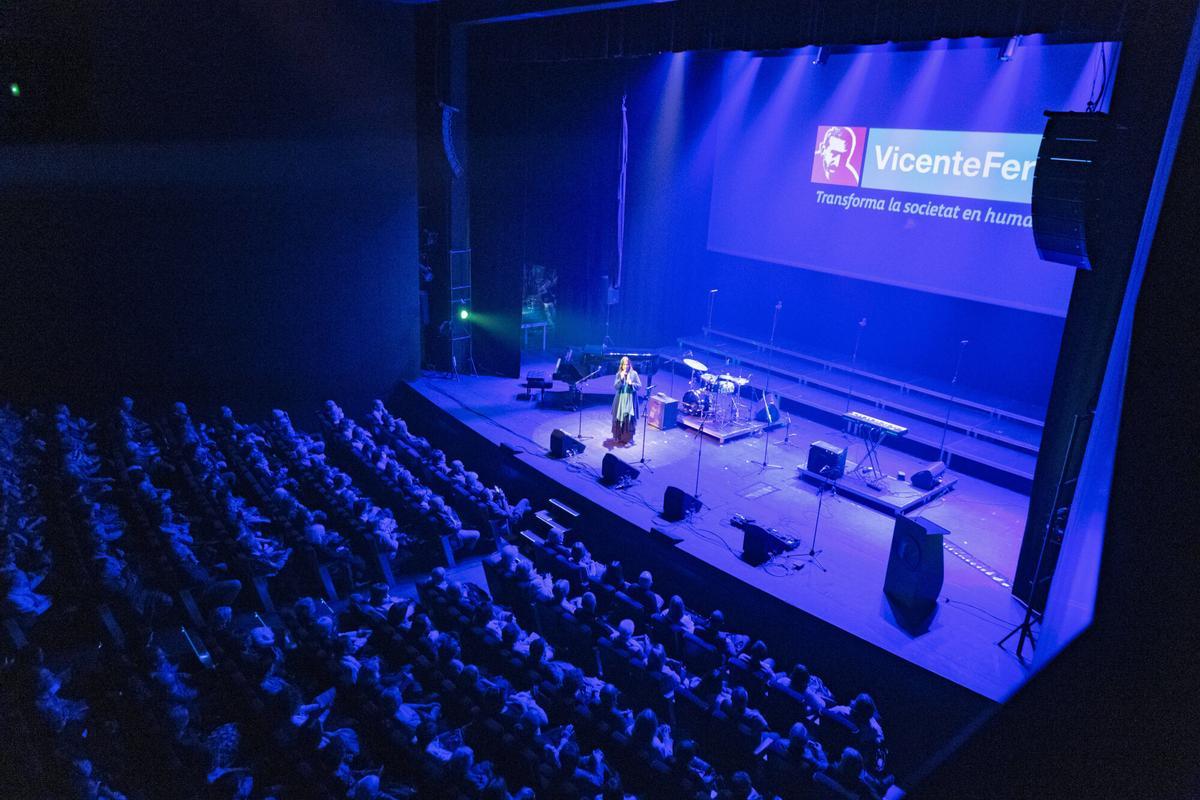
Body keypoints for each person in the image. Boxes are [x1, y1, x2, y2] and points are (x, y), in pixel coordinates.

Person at [610, 356, 641, 446]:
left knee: (628, 419)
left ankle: (628, 439)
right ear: (621, 365)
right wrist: (621, 379)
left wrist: (632, 384)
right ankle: (617, 436)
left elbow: (639, 385)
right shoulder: (619, 374)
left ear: (629, 365)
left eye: (627, 364)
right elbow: (616, 386)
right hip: (620, 400)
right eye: (624, 364)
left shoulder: (634, 374)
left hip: (630, 400)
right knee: (618, 418)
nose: (626, 366)